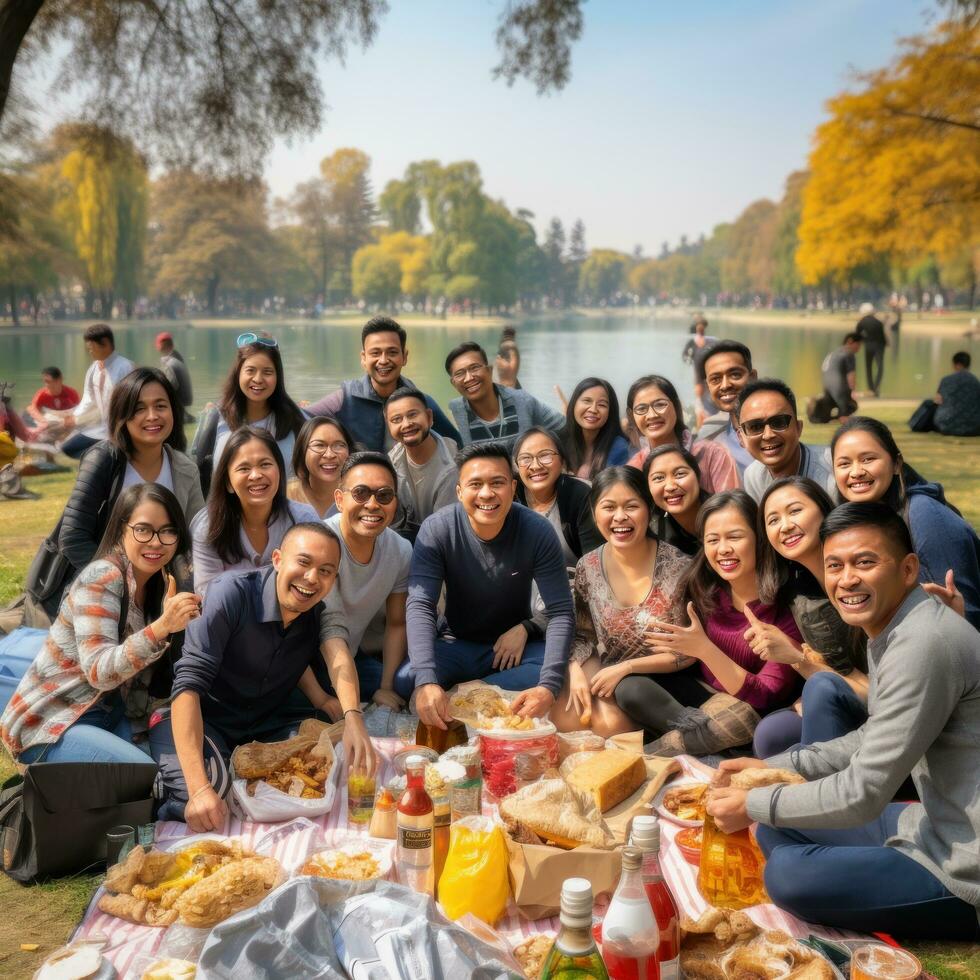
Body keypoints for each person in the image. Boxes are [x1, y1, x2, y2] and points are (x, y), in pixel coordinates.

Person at [708, 503, 980, 941]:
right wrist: (776, 769)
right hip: (930, 824)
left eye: (865, 562)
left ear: (908, 569)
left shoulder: (923, 643)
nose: (846, 579)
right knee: (779, 826)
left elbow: (864, 793)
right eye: (835, 565)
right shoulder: (898, 625)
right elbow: (873, 734)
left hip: (964, 865)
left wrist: (752, 803)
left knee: (788, 875)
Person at [151, 522, 377, 830]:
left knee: (323, 760)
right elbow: (188, 687)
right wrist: (199, 789)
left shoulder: (314, 609)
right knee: (213, 791)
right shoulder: (230, 594)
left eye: (325, 571)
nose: (312, 578)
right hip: (205, 718)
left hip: (263, 722)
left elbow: (322, 653)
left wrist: (331, 704)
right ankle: (165, 788)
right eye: (304, 562)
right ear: (277, 559)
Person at [2, 484, 200, 764]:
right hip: (52, 721)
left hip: (107, 714)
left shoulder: (159, 583)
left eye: (168, 531)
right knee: (143, 774)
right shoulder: (103, 577)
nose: (156, 542)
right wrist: (161, 627)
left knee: (170, 771)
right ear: (121, 529)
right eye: (143, 529)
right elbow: (98, 671)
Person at [396, 442, 574, 728]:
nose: (486, 494)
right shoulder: (438, 528)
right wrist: (427, 680)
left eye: (497, 483)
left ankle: (468, 692)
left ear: (513, 488)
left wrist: (549, 687)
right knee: (407, 679)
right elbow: (421, 603)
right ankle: (481, 692)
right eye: (475, 484)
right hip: (456, 643)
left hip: (510, 650)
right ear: (459, 491)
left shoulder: (536, 530)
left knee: (550, 672)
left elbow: (562, 609)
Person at [616, 491, 802, 756]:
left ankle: (652, 755)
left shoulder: (786, 606)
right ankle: (711, 744)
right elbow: (683, 656)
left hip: (754, 710)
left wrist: (704, 649)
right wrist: (629, 665)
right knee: (631, 688)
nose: (723, 549)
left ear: (760, 540)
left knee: (737, 720)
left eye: (735, 537)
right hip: (707, 699)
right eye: (713, 540)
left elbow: (766, 695)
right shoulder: (705, 588)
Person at [27, 368, 205, 620]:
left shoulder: (185, 468)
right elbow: (73, 536)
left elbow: (197, 536)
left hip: (159, 588)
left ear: (173, 411)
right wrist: (120, 586)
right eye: (139, 408)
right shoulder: (104, 459)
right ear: (122, 414)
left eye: (160, 406)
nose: (152, 416)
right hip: (99, 586)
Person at [552, 467, 692, 737]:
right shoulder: (588, 567)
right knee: (567, 714)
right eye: (608, 507)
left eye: (631, 506)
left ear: (649, 509)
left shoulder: (679, 568)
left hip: (665, 681)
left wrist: (627, 668)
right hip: (613, 675)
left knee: (609, 723)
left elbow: (687, 652)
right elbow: (583, 634)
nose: (620, 517)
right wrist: (576, 670)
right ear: (594, 513)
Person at [749, 477, 869, 758]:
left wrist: (797, 659)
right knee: (771, 733)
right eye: (773, 519)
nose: (786, 525)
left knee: (820, 690)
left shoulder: (857, 582)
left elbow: (869, 691)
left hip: (888, 712)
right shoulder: (798, 591)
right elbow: (840, 676)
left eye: (795, 511)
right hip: (847, 698)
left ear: (824, 511)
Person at [831, 416, 980, 628]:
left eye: (868, 459)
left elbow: (966, 612)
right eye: (844, 463)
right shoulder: (869, 520)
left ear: (896, 464)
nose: (856, 472)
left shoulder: (925, 516)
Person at [318, 452, 412, 708]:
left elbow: (396, 623)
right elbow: (330, 632)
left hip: (352, 655)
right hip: (305, 663)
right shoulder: (321, 542)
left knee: (409, 683)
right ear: (339, 499)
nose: (372, 504)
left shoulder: (400, 550)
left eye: (384, 495)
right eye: (360, 493)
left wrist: (386, 687)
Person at [190, 427, 320, 596]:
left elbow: (315, 581)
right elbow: (208, 595)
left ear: (280, 472)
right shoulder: (207, 527)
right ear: (228, 482)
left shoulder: (304, 520)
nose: (256, 475)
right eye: (244, 468)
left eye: (265, 464)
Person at [306, 316, 459, 451]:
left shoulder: (422, 403)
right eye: (375, 353)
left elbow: (458, 445)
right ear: (363, 358)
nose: (384, 360)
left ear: (404, 357)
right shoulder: (345, 399)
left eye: (392, 352)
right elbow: (301, 418)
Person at [190, 334, 306, 496]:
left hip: (284, 517)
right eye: (250, 370)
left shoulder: (296, 420)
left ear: (278, 376)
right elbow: (194, 478)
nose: (258, 379)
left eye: (267, 372)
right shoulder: (215, 418)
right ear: (238, 373)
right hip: (226, 517)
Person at [625, 374, 738, 493]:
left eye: (660, 404)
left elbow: (732, 506)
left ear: (676, 406)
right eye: (641, 409)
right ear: (632, 416)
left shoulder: (712, 455)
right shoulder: (634, 469)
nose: (652, 415)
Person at [445, 342, 564, 450]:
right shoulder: (454, 413)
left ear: (489, 370)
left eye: (474, 368)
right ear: (453, 383)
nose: (469, 378)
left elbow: (566, 428)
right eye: (460, 374)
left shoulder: (523, 402)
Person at [513, 427, 603, 565]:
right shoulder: (510, 496)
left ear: (562, 461)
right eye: (525, 458)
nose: (535, 466)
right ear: (517, 466)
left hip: (577, 582)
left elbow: (594, 561)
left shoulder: (581, 495)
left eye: (545, 455)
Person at [737, 379, 835, 502]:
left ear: (798, 428)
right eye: (755, 427)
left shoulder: (833, 470)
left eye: (779, 422)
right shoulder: (753, 477)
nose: (768, 435)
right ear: (740, 438)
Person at [384, 386, 458, 542]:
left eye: (412, 415)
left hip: (443, 542)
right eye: (396, 420)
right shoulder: (392, 460)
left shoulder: (452, 466)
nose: (406, 424)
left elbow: (445, 530)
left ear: (429, 418)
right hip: (404, 538)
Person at [59, 323, 135, 459]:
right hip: (102, 429)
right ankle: (102, 458)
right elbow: (88, 398)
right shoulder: (94, 369)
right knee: (68, 448)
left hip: (123, 430)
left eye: (91, 348)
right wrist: (74, 417)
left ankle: (108, 458)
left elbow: (132, 401)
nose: (89, 351)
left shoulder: (125, 367)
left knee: (108, 454)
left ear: (105, 343)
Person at [695, 340, 757, 477]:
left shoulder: (776, 431)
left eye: (735, 375)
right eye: (715, 379)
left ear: (752, 377)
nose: (725, 385)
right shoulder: (709, 436)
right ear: (708, 386)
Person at [287, 415, 356, 519]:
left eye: (338, 445)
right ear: (302, 452)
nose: (329, 454)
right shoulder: (286, 495)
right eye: (319, 445)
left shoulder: (359, 494)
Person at [562, 377, 631, 480]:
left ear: (610, 412)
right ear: (573, 404)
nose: (593, 409)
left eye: (602, 404)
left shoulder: (618, 447)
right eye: (586, 401)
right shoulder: (558, 442)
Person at [643, 445, 707, 556]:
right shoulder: (654, 533)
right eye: (659, 478)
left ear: (697, 475)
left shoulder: (726, 514)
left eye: (679, 474)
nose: (670, 486)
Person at [810, 333, 860, 424]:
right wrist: (853, 391)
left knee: (825, 417)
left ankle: (820, 409)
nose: (859, 348)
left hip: (827, 387)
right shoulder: (848, 353)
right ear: (850, 341)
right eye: (858, 345)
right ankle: (842, 415)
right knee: (851, 407)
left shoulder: (833, 353)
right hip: (839, 386)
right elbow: (851, 375)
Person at [933, 351, 980, 437]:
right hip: (974, 427)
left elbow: (937, 401)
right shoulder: (976, 381)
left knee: (928, 404)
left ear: (956, 364)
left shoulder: (946, 380)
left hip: (947, 426)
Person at [682, 314, 718, 425]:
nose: (700, 328)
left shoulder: (713, 341)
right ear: (696, 327)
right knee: (699, 404)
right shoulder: (692, 342)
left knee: (711, 403)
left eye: (702, 326)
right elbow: (685, 356)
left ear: (705, 327)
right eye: (698, 326)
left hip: (710, 376)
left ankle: (709, 424)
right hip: (698, 378)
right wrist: (689, 359)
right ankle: (700, 429)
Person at [156, 332, 194, 423]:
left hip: (178, 410)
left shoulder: (169, 364)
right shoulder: (178, 359)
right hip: (184, 406)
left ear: (160, 346)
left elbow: (170, 388)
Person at [855, 302, 887, 397]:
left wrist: (864, 340)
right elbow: (882, 337)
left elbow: (857, 334)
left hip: (868, 346)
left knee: (868, 368)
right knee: (880, 367)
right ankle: (876, 387)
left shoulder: (861, 322)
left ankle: (870, 388)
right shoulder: (878, 322)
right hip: (879, 347)